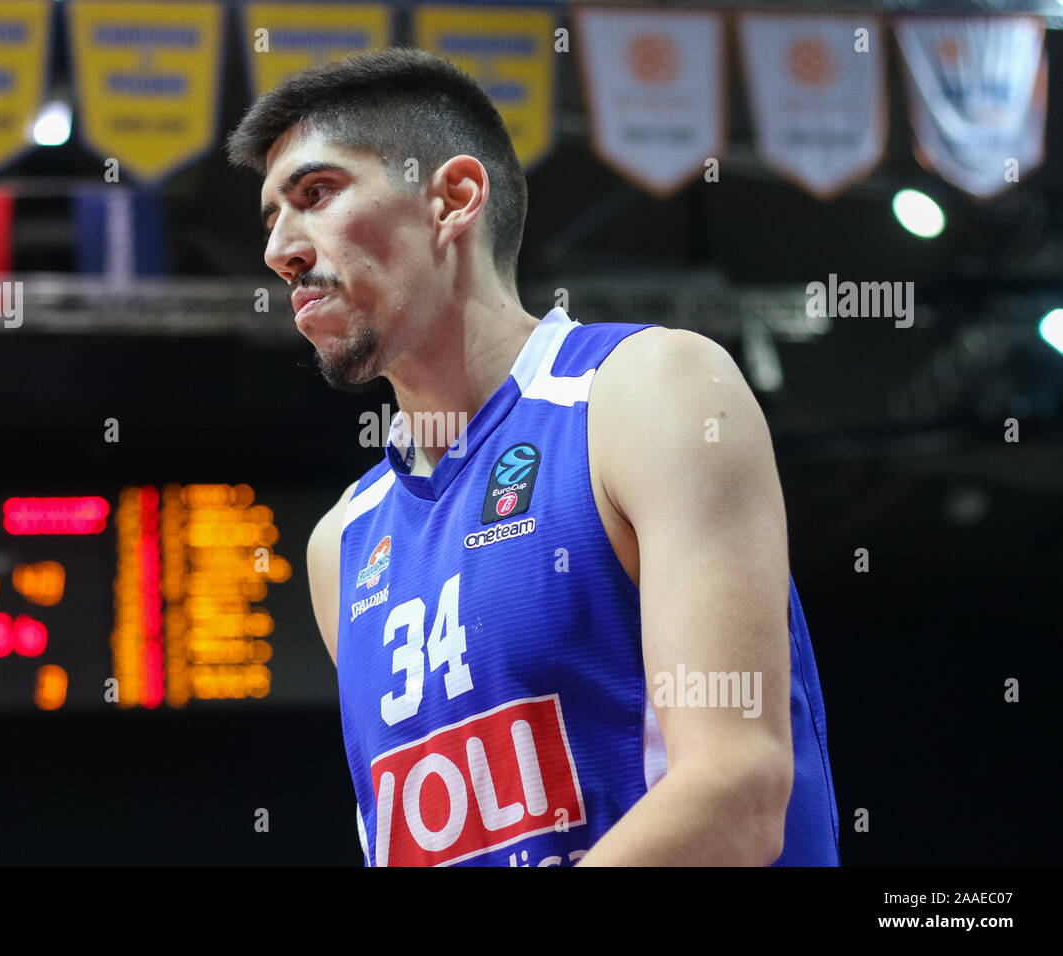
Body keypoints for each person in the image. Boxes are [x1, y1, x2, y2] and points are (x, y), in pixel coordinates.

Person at [225, 47, 839, 866]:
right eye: (272, 217)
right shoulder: (343, 546)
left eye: (316, 193)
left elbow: (739, 791)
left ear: (453, 197)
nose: (281, 249)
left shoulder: (647, 390)